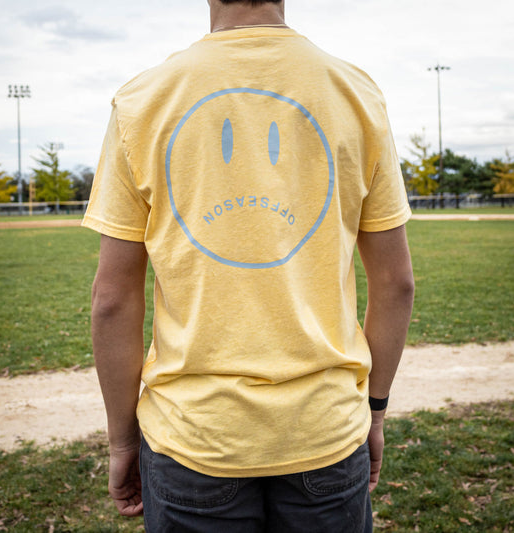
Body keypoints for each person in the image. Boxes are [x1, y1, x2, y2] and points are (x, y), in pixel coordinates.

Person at [83, 0, 415, 530]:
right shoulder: (356, 93)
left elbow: (112, 299)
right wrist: (374, 411)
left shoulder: (142, 100)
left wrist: (122, 440)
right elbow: (396, 284)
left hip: (193, 437)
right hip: (325, 431)